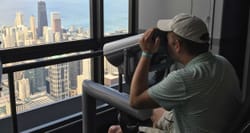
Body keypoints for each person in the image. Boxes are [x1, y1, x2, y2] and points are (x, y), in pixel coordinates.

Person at [109, 13, 243, 133]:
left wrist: (147, 53)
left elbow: (135, 100)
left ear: (177, 45)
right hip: (217, 125)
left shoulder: (184, 78)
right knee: (155, 112)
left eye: (167, 40)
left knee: (114, 130)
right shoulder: (223, 62)